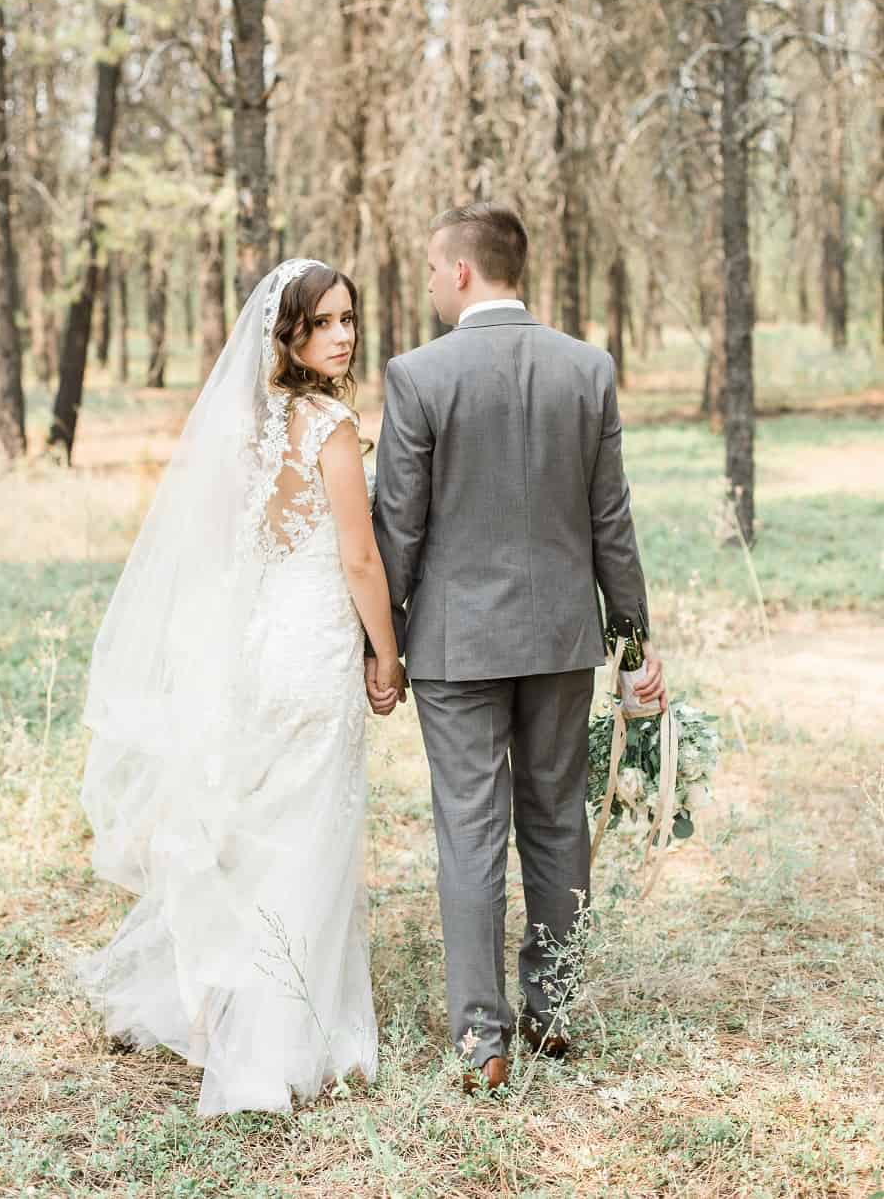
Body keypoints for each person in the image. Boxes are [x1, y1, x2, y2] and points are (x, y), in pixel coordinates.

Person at [75, 259, 401, 1116]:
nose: (343, 334)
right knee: (308, 832)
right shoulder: (329, 424)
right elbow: (360, 557)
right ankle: (286, 1034)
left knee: (260, 827)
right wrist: (388, 653)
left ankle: (224, 1004)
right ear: (286, 333)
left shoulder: (246, 423)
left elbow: (221, 546)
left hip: (260, 642)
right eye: (324, 322)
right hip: (316, 644)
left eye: (349, 318)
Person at [368, 202, 666, 1095]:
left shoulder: (419, 376)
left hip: (457, 646)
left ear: (461, 272)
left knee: (469, 828)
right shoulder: (587, 368)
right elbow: (610, 515)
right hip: (565, 636)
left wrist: (381, 642)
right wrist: (633, 638)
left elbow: (399, 527)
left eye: (429, 266)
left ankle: (479, 1041)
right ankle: (556, 1010)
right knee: (557, 816)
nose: (425, 282)